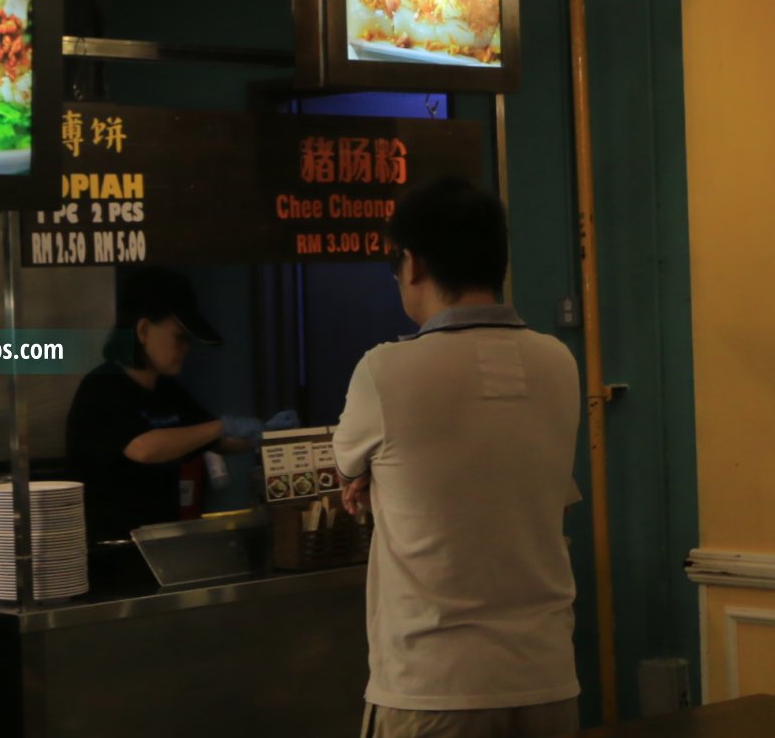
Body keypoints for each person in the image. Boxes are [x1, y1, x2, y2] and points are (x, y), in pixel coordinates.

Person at [332, 177, 582, 738]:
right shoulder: (558, 363)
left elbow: (348, 466)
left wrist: (368, 476)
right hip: (546, 679)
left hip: (433, 686)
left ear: (412, 264)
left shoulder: (386, 371)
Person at [66, 266, 296, 542]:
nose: (185, 348)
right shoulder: (102, 386)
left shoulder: (168, 390)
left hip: (159, 541)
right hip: (111, 549)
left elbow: (214, 440)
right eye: (180, 336)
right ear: (143, 330)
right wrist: (221, 425)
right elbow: (143, 448)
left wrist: (262, 435)